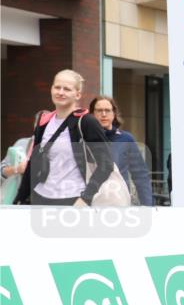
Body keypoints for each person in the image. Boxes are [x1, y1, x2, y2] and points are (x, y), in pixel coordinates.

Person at [14, 70, 114, 206]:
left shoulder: (86, 122)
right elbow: (33, 163)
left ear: (77, 94)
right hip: (40, 197)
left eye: (67, 89)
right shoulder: (44, 122)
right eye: (57, 87)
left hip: (73, 200)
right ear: (51, 89)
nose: (60, 92)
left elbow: (106, 164)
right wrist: (20, 198)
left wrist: (86, 197)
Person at [89, 95, 153, 206]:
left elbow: (140, 175)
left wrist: (148, 206)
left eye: (108, 110)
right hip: (91, 202)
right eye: (99, 110)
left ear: (114, 114)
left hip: (119, 202)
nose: (103, 114)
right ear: (92, 114)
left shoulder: (126, 139)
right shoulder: (84, 139)